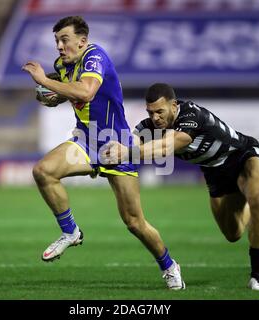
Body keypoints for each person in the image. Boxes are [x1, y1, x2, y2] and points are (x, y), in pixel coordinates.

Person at [22, 17, 185, 290]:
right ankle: (70, 231)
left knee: (134, 222)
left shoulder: (95, 56)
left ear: (82, 41)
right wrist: (55, 96)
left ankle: (169, 266)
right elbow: (72, 94)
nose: (60, 46)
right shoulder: (62, 66)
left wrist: (43, 82)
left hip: (116, 145)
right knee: (43, 171)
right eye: (57, 41)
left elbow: (86, 91)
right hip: (85, 140)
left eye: (64, 39)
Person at [102, 83, 259, 291]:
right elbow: (131, 141)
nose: (155, 118)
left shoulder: (190, 115)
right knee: (232, 234)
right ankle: (258, 186)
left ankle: (258, 276)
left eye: (160, 111)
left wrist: (127, 153)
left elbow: (167, 146)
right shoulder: (149, 126)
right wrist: (115, 150)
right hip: (214, 172)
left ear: (173, 106)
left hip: (241, 156)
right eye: (150, 113)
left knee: (258, 200)